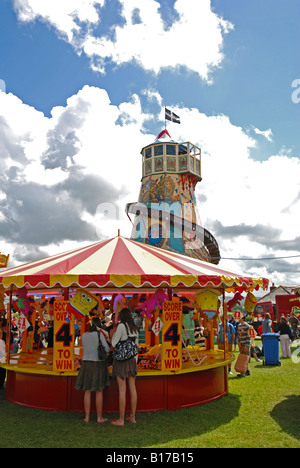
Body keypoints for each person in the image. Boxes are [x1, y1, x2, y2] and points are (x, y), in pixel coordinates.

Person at [75, 317, 110, 423]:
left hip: (86, 363)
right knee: (99, 391)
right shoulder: (99, 335)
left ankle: (87, 417)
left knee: (87, 390)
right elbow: (107, 349)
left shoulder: (84, 336)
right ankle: (99, 417)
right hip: (98, 364)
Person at [111, 307, 139, 426]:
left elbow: (113, 343)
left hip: (122, 360)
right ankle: (132, 416)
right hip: (133, 360)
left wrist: (112, 335)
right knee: (132, 388)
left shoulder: (121, 326)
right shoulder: (135, 328)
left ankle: (121, 419)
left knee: (122, 390)